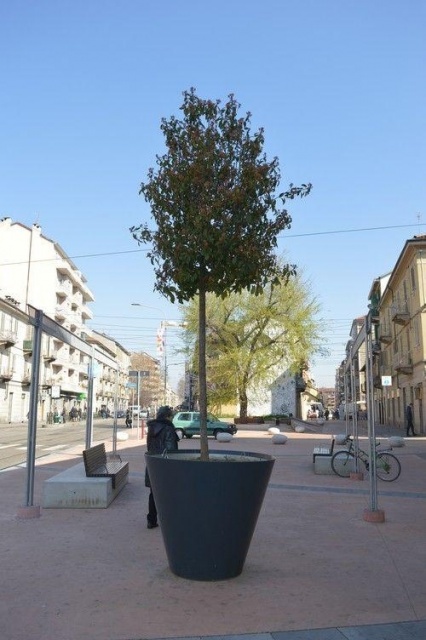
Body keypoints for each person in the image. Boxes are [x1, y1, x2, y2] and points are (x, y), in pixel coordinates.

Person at [145, 405, 178, 529]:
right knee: (168, 493)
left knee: (153, 493)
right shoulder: (168, 429)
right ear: (167, 416)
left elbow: (149, 447)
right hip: (166, 466)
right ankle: (168, 520)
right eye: (171, 416)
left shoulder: (151, 428)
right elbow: (172, 450)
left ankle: (151, 520)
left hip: (153, 464)